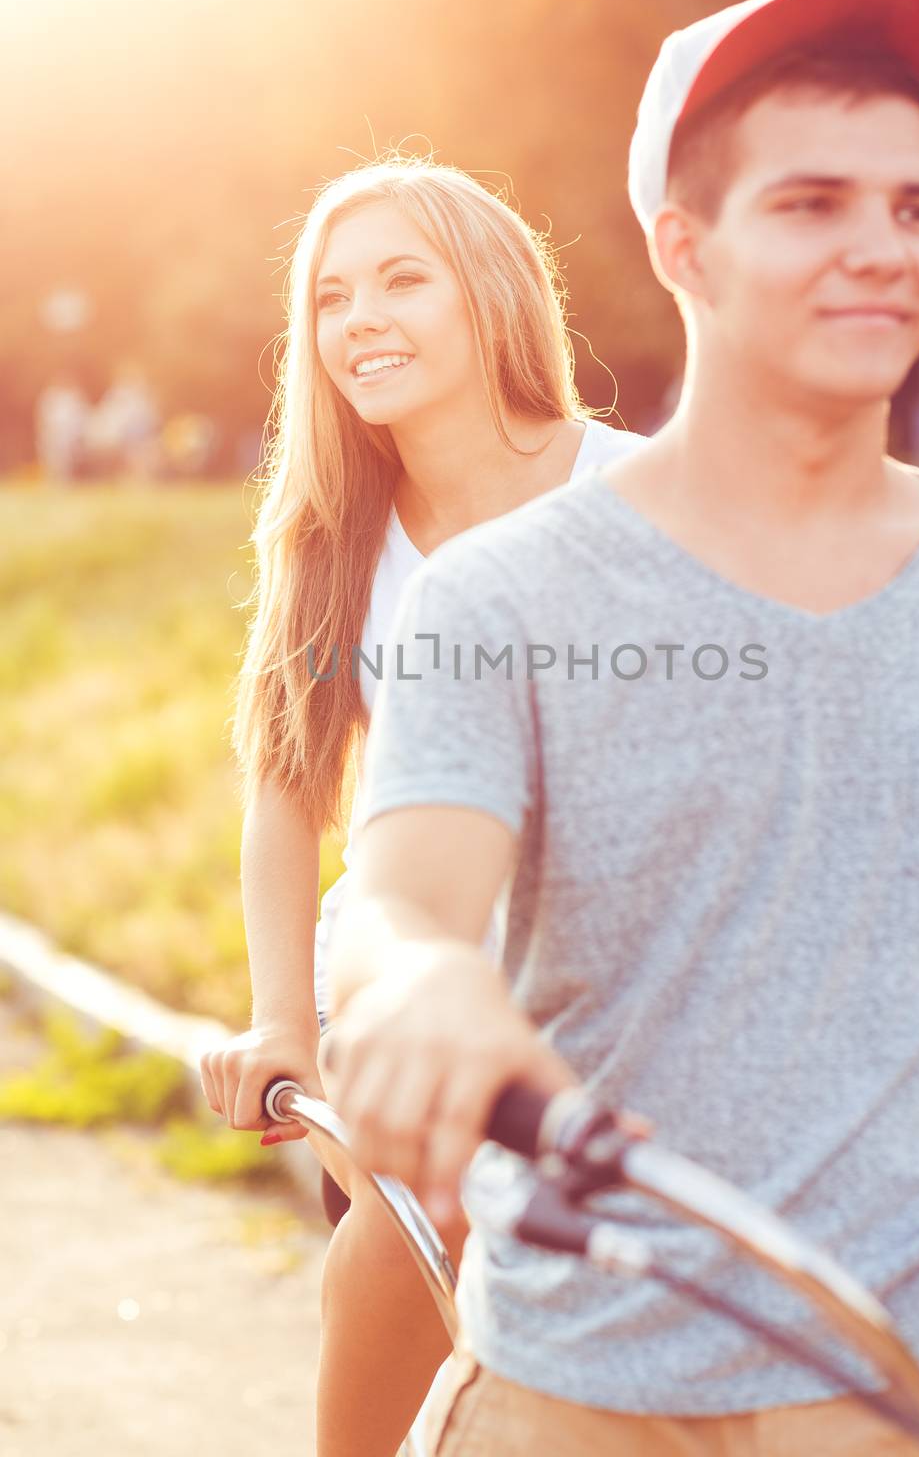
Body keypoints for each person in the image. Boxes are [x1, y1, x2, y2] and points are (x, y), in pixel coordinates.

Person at [322, 0, 919, 1455]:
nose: (881, 251)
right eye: (811, 205)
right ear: (685, 248)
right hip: (584, 1378)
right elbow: (400, 902)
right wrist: (419, 991)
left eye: (914, 210)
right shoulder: (504, 595)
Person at [197, 155, 644, 1457]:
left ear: (493, 297)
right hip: (410, 998)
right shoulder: (339, 533)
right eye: (332, 297)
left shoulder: (639, 500)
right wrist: (284, 1020)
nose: (360, 321)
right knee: (406, 1247)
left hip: (623, 993)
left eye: (402, 279)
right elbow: (287, 781)